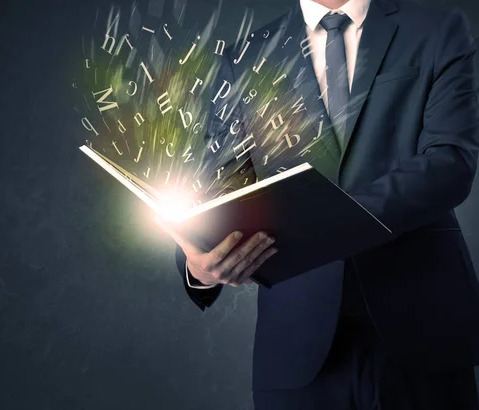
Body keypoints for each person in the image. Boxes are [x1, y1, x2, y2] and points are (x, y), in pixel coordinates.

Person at [159, 0, 479, 408]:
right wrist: (197, 262)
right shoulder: (245, 57)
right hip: (295, 343)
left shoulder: (437, 27)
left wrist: (331, 220)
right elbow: (223, 188)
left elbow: (450, 162)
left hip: (423, 328)